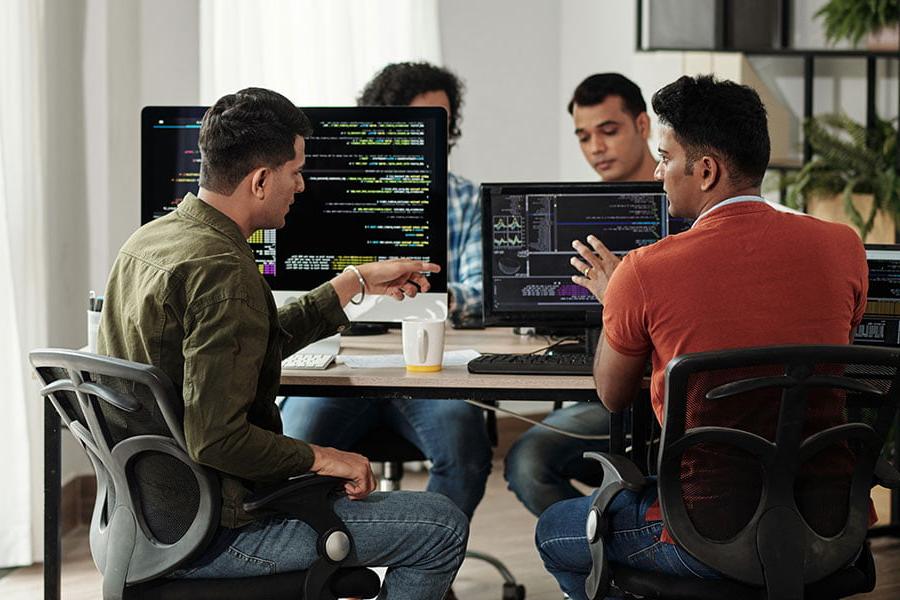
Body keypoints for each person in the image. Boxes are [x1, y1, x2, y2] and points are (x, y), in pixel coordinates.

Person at [97, 87, 468, 600]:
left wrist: (351, 283)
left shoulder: (151, 240)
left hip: (144, 521)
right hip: (216, 534)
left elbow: (247, 341)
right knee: (441, 526)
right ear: (261, 180)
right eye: (295, 171)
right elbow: (218, 440)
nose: (301, 184)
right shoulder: (224, 272)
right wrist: (325, 458)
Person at [534, 74, 867, 599]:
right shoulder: (844, 245)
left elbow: (611, 394)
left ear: (706, 170)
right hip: (827, 525)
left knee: (555, 530)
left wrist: (614, 299)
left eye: (665, 158)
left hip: (703, 533)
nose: (659, 173)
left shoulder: (643, 270)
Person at [279, 63, 492, 527]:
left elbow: (480, 292)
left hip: (427, 366)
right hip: (338, 365)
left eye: (444, 121)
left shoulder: (462, 199)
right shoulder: (320, 195)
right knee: (292, 445)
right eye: (422, 121)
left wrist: (433, 298)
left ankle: (424, 565)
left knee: (466, 450)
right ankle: (335, 566)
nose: (436, 132)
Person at [503, 73, 657, 517]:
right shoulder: (578, 214)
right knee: (527, 462)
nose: (595, 148)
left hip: (672, 393)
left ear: (642, 125)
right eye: (583, 136)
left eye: (608, 131)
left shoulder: (681, 207)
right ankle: (601, 552)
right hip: (599, 388)